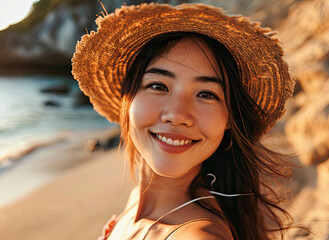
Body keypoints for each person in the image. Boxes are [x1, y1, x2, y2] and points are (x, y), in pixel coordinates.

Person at [72, 3, 295, 240]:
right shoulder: (137, 199)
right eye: (158, 86)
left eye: (206, 94)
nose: (177, 114)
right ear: (128, 98)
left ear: (230, 117)